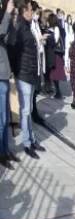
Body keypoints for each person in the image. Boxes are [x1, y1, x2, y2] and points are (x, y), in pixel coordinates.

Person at [9, 0, 45, 158]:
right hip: (23, 75)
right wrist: (16, 72)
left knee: (28, 110)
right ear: (24, 12)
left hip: (30, 74)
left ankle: (32, 139)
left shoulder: (28, 27)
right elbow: (13, 51)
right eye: (31, 10)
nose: (33, 13)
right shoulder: (20, 28)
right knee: (25, 111)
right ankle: (27, 143)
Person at [0, 0, 17, 167]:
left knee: (5, 118)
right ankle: (1, 153)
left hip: (4, 75)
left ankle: (5, 150)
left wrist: (11, 18)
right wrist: (7, 13)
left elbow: (10, 40)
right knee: (2, 119)